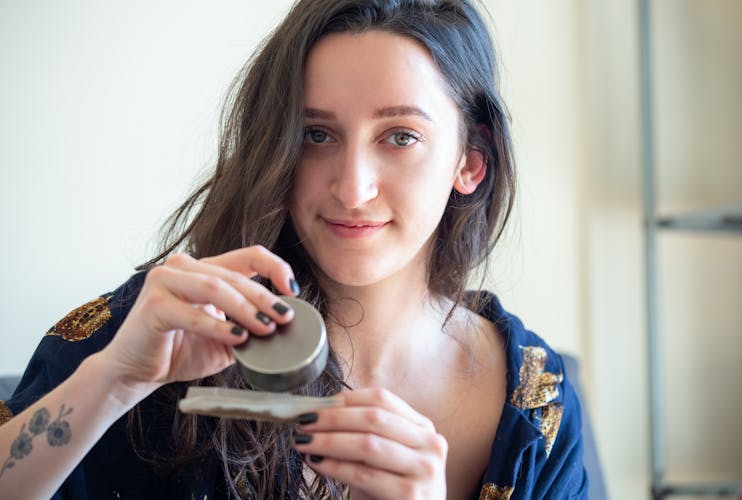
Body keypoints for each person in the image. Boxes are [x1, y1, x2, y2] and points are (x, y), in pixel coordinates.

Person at [0, 0, 588, 498]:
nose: (353, 188)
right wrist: (112, 381)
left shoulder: (537, 406)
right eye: (316, 134)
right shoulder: (167, 328)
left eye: (401, 136)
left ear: (471, 162)